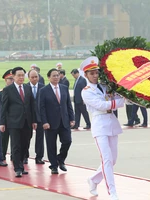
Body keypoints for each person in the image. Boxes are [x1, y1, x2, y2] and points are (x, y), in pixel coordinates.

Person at [81, 56, 124, 200]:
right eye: (91, 73)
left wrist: (118, 100)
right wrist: (117, 102)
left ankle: (93, 179)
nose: (95, 75)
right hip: (99, 125)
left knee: (113, 160)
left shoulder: (106, 86)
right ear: (86, 75)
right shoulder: (86, 91)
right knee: (106, 159)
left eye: (96, 72)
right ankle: (112, 192)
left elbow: (120, 98)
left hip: (111, 122)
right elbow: (101, 105)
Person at [0, 67, 37, 178]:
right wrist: (2, 122)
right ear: (14, 76)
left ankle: (21, 163)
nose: (21, 77)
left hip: (27, 122)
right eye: (19, 75)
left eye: (22, 75)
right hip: (13, 122)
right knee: (16, 145)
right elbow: (4, 107)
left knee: (25, 145)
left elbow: (32, 105)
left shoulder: (27, 88)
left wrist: (34, 120)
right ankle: (18, 168)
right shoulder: (8, 90)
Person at [39, 68, 75, 174]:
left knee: (67, 141)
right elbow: (41, 108)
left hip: (64, 121)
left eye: (57, 75)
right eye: (54, 75)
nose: (56, 77)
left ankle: (60, 159)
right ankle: (53, 165)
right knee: (51, 145)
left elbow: (68, 104)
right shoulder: (44, 91)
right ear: (49, 77)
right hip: (50, 123)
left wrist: (72, 118)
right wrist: (44, 122)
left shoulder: (64, 88)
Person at [27, 69, 45, 164]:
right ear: (29, 78)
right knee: (26, 137)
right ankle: (25, 156)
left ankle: (39, 157)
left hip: (40, 118)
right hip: (28, 117)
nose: (34, 79)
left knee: (40, 138)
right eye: (32, 77)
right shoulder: (25, 87)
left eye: (36, 77)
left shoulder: (43, 88)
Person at [0, 69, 14, 161]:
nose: (12, 81)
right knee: (3, 140)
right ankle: (2, 156)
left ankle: (14, 156)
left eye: (13, 78)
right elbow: (0, 108)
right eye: (10, 79)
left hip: (15, 120)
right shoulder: (1, 92)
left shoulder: (17, 91)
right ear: (6, 80)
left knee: (15, 141)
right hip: (5, 120)